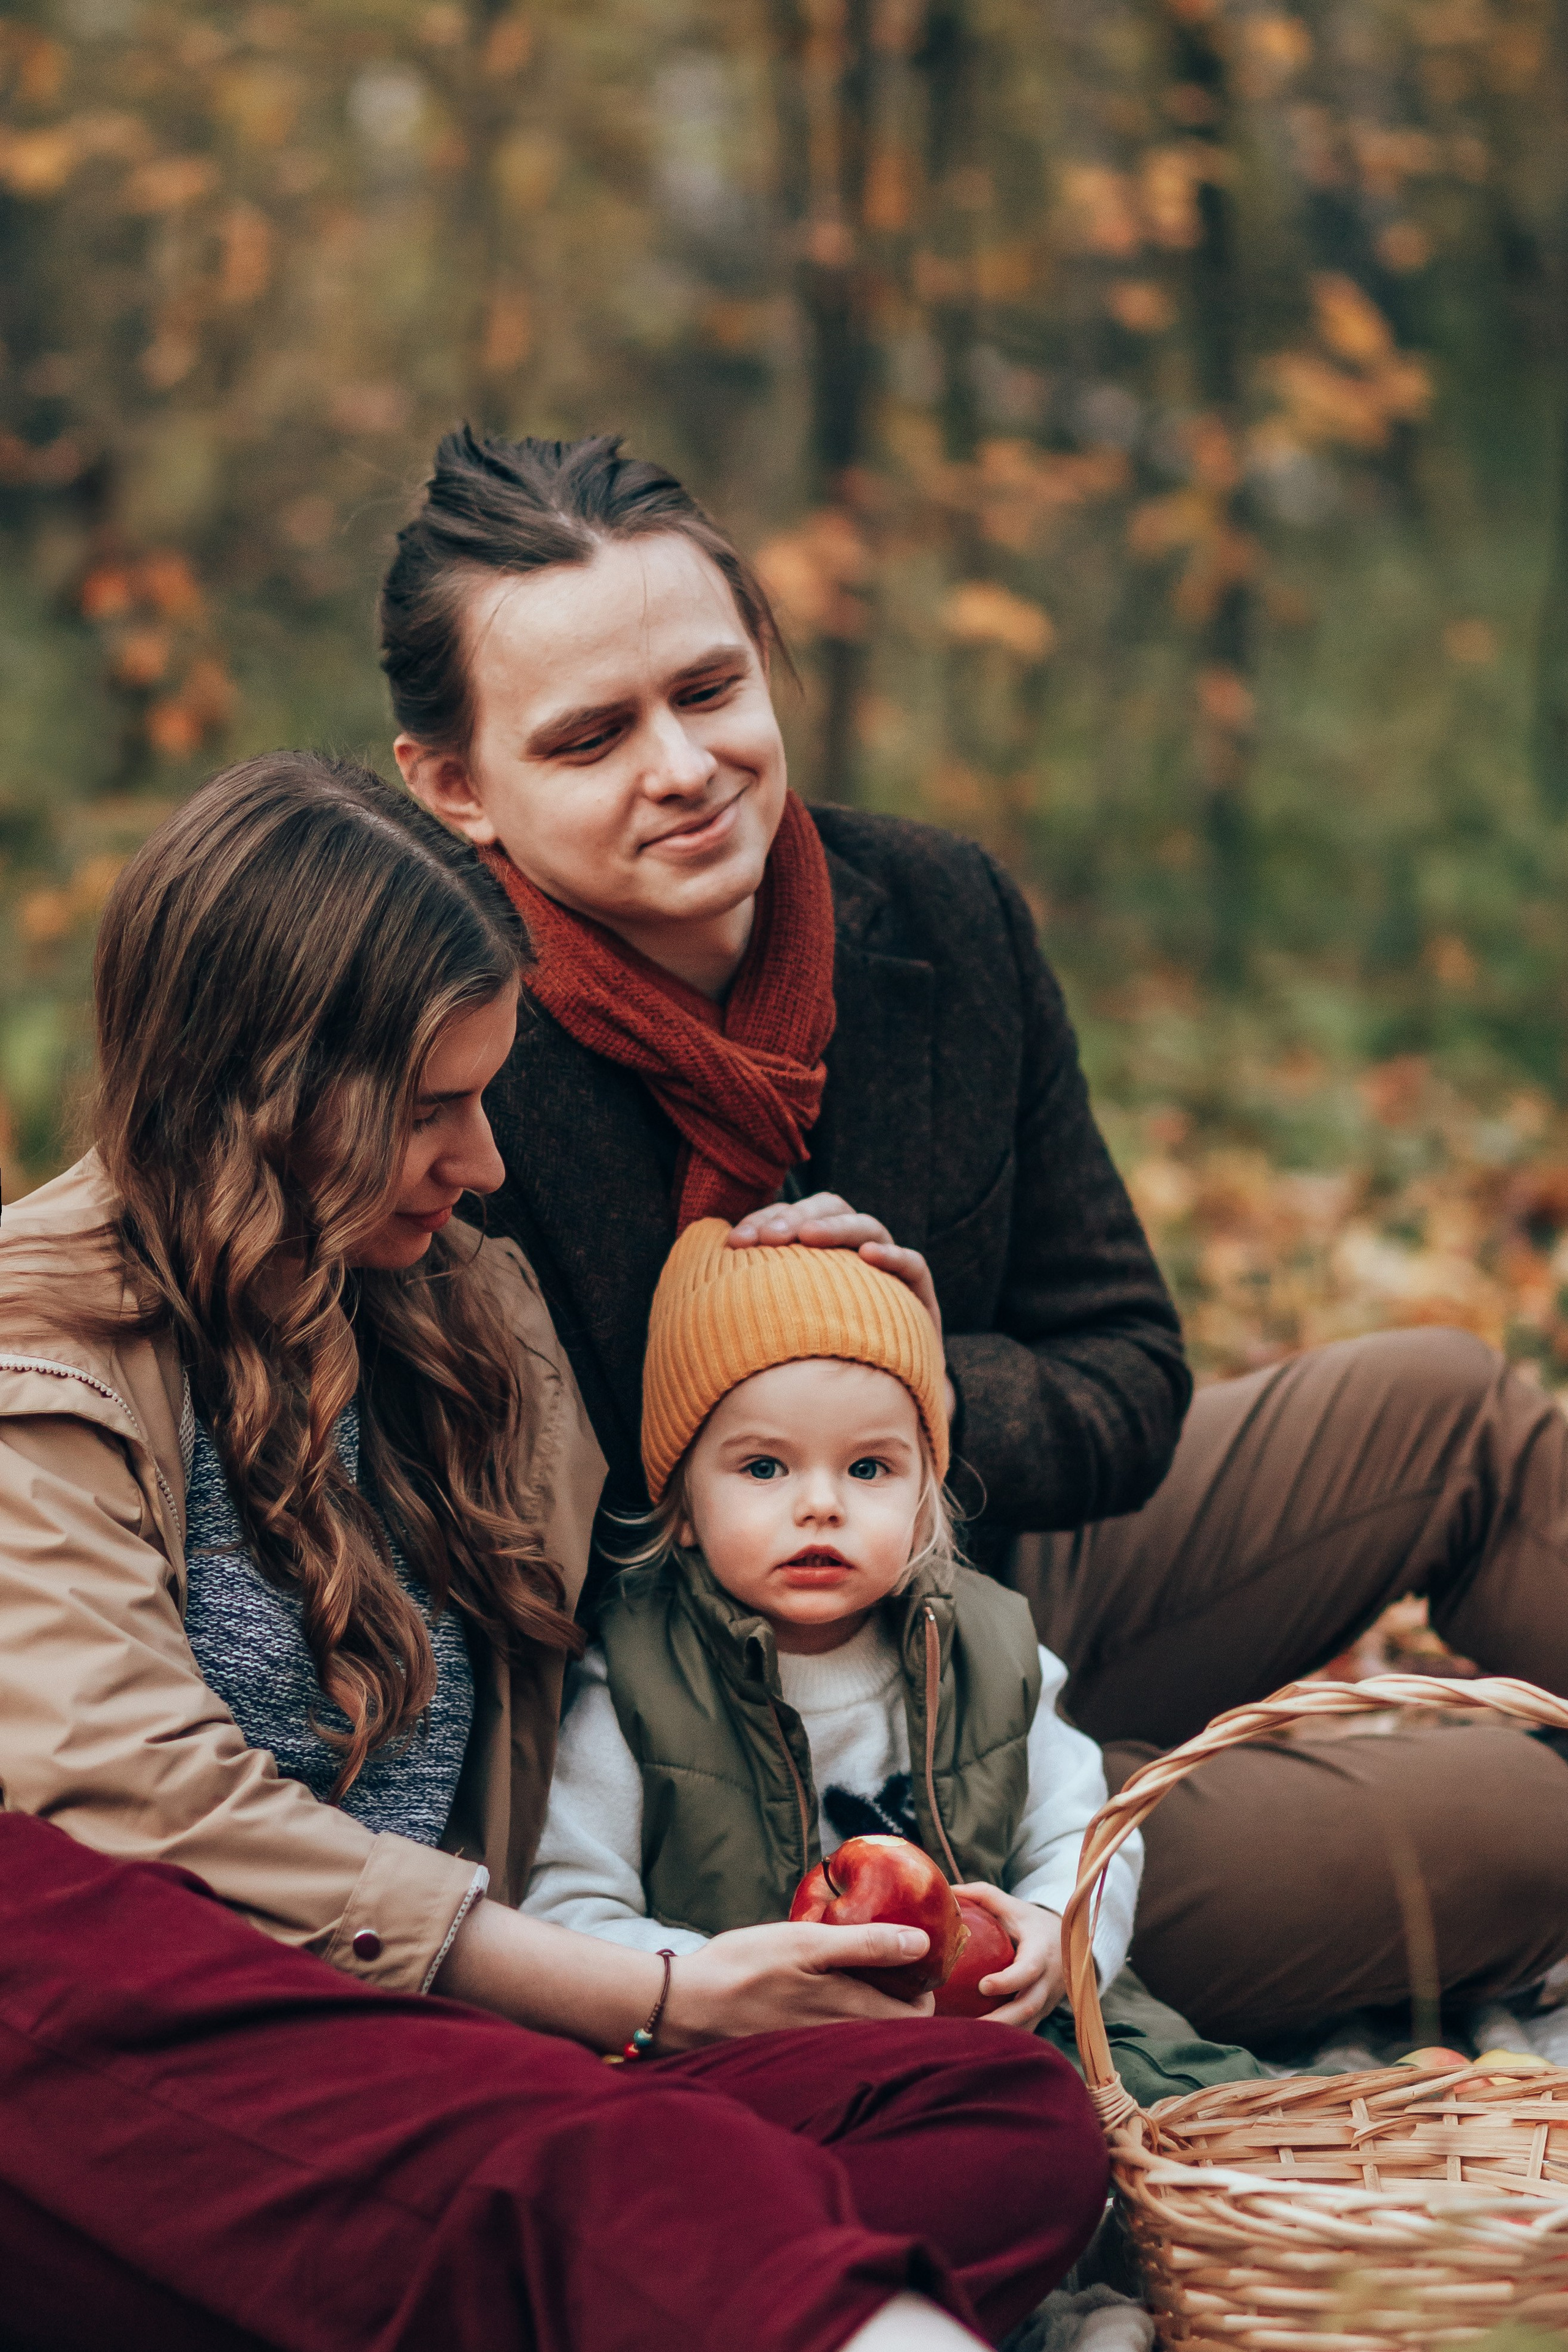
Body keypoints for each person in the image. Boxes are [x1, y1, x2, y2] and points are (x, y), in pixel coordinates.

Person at [385, 426, 1568, 2051]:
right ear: (455, 787)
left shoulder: (937, 912)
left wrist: (916, 1374)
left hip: (992, 1573)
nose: (682, 766)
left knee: (1449, 1410)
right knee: (1524, 1817)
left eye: (710, 690)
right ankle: (1113, 1852)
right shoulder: (439, 1052)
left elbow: (1128, 1372)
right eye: (592, 737)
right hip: (752, 1764)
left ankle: (1122, 1781)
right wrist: (756, 1391)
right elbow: (465, 1585)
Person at [0, 753, 1108, 2352]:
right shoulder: (38, 1356)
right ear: (257, 1091)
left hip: (486, 2063)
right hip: (177, 2071)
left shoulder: (461, 1306)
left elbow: (690, 1567)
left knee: (998, 2115)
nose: (484, 1165)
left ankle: (600, 2269)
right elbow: (141, 1797)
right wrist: (650, 2001)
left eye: (484, 1097)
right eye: (429, 1112)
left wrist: (849, 1347)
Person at [524, 1213, 1142, 2016]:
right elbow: (570, 1907)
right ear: (683, 1506)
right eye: (764, 1467)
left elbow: (1084, 1837)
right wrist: (719, 1983)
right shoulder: (636, 1683)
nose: (821, 1504)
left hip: (987, 2026)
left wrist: (1061, 1936)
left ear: (924, 1501)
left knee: (1176, 2075)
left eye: (869, 1467)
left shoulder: (991, 1655)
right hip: (733, 2049)